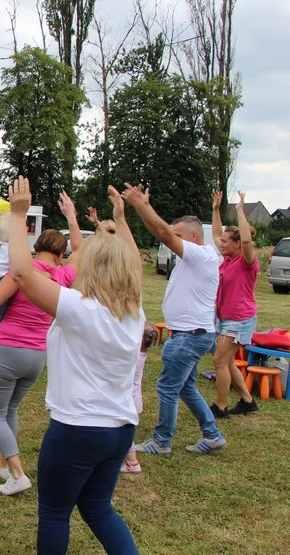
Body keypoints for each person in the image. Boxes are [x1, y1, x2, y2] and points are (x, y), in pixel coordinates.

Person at [8, 178, 143, 554]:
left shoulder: (78, 308)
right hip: (120, 429)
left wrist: (19, 216)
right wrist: (119, 217)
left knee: (54, 513)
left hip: (78, 430)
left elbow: (21, 273)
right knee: (98, 508)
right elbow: (129, 258)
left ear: (92, 268)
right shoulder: (134, 312)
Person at [123, 183, 227, 455]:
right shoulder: (193, 257)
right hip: (191, 334)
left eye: (178, 235)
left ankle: (161, 442)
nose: (171, 240)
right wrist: (145, 210)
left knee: (168, 387)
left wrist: (141, 206)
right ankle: (212, 434)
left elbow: (162, 231)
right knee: (184, 386)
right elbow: (161, 231)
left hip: (189, 336)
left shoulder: (200, 255)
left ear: (193, 236)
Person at [0, 217, 81, 496]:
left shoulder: (24, 272)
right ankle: (2, 463)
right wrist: (72, 218)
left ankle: (17, 473)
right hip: (38, 355)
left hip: (7, 349)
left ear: (36, 247)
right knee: (10, 409)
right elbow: (81, 251)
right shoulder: (64, 276)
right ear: (61, 254)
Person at [210, 190, 260, 417]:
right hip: (226, 317)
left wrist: (240, 210)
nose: (220, 245)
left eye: (225, 242)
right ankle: (248, 401)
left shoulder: (247, 261)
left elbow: (247, 239)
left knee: (220, 360)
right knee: (227, 362)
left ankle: (220, 407)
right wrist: (216, 210)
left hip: (240, 319)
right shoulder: (228, 260)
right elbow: (216, 235)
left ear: (238, 244)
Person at [121, 323, 159, 474]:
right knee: (124, 432)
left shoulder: (133, 357)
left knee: (123, 434)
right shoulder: (142, 355)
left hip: (127, 401)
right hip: (134, 401)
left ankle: (132, 462)